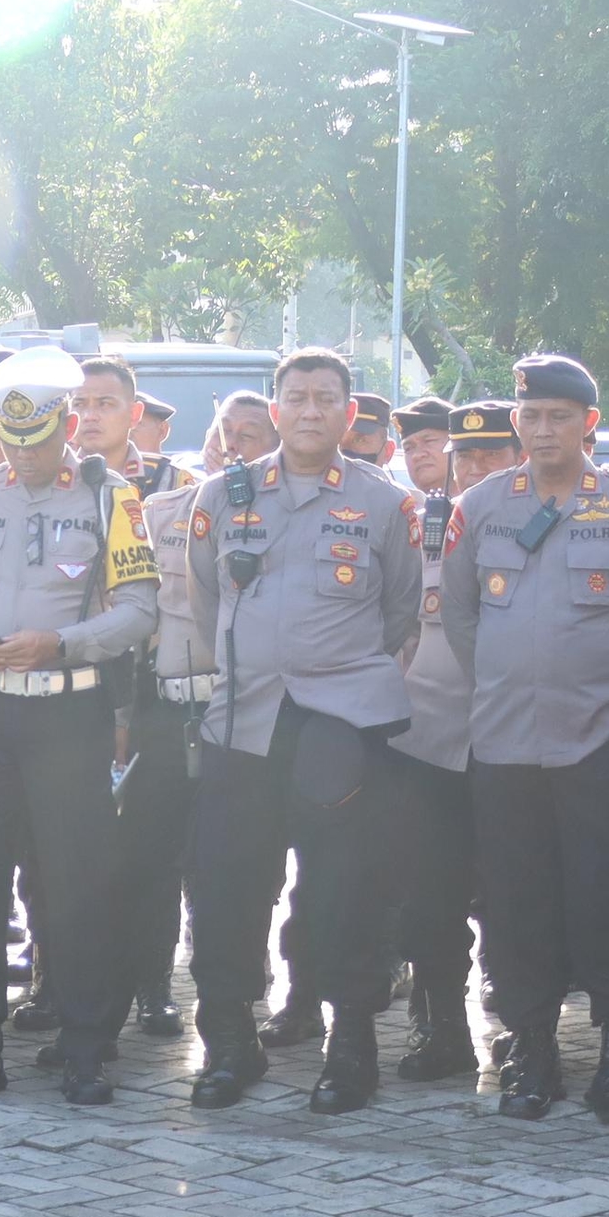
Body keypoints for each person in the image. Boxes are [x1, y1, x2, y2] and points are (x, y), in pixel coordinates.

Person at [178, 350, 422, 1110]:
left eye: (326, 398)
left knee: (346, 891)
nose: (311, 410)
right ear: (274, 409)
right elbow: (201, 593)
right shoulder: (223, 494)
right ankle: (229, 1041)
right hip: (242, 722)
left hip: (341, 724)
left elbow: (401, 614)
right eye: (297, 397)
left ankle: (351, 1046)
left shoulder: (385, 503)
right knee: (227, 889)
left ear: (350, 415)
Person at [444, 353, 609, 1126]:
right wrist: (509, 676)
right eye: (531, 417)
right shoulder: (479, 506)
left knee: (605, 894)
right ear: (517, 424)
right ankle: (533, 1049)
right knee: (517, 900)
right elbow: (459, 614)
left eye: (559, 417)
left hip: (597, 736)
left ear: (588, 422)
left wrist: (607, 676)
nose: (543, 429)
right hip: (504, 741)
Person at [0, 357, 161, 1103]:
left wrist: (63, 642)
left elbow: (140, 610)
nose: (23, 456)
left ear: (65, 427)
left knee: (77, 883)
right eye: (10, 440)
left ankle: (86, 1049)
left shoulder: (110, 495)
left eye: (37, 440)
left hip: (67, 708)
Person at [375, 404, 514, 1077]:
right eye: (468, 456)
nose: (477, 469)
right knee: (430, 898)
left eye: (494, 454)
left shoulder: (545, 529)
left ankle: (525, 1023)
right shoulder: (420, 527)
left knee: (518, 897)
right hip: (429, 742)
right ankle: (441, 1025)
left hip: (514, 742)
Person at [79, 357, 198, 1037]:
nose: (90, 414)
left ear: (133, 412)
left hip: (152, 690)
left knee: (152, 850)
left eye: (105, 402)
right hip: (75, 685)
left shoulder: (182, 488)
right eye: (81, 403)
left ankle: (151, 984)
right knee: (63, 848)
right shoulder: (55, 483)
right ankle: (56, 977)